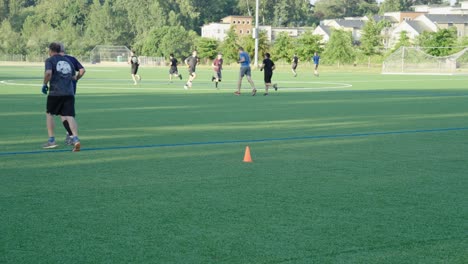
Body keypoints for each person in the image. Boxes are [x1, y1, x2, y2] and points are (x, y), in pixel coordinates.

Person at [42, 42, 80, 152]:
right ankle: (75, 138)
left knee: (50, 114)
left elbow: (48, 73)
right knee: (69, 115)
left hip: (56, 92)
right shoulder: (68, 61)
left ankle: (51, 140)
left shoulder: (50, 60)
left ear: (50, 50)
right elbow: (73, 77)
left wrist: (45, 84)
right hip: (69, 93)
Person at [59, 43, 86, 146]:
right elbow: (82, 70)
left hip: (60, 90)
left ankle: (71, 136)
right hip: (71, 90)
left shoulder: (55, 60)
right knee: (69, 113)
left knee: (63, 114)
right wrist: (76, 79)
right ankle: (70, 135)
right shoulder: (72, 59)